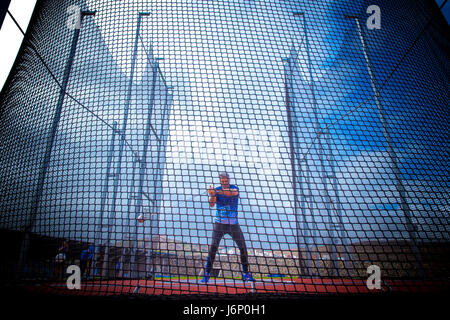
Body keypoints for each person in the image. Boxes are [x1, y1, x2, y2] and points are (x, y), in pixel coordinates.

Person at [201, 172, 254, 284]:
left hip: (233, 225)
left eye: (226, 181)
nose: (224, 183)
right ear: (220, 181)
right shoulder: (217, 190)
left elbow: (232, 193)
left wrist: (216, 191)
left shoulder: (234, 188)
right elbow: (211, 204)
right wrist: (212, 195)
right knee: (213, 249)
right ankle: (206, 274)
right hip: (219, 224)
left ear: (229, 180)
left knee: (243, 248)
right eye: (223, 181)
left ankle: (246, 274)